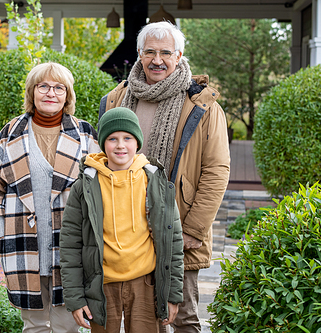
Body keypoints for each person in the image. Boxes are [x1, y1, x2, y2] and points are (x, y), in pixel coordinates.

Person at [99, 22, 230, 333]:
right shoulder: (116, 100)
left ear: (179, 55)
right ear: (140, 55)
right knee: (141, 319)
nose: (157, 60)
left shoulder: (203, 106)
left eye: (165, 53)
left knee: (182, 318)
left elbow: (217, 171)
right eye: (150, 52)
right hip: (128, 233)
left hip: (180, 229)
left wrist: (194, 230)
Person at [0, 62, 100, 333]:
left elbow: (100, 188)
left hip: (71, 243)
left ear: (68, 95)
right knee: (33, 325)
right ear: (32, 92)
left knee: (67, 324)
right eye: (43, 86)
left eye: (59, 87)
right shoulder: (11, 133)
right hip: (21, 239)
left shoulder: (84, 134)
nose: (51, 93)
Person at [59, 107, 184, 333]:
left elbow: (173, 241)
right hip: (102, 284)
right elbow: (70, 245)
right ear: (102, 144)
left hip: (146, 283)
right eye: (112, 138)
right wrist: (75, 298)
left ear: (137, 142)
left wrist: (173, 294)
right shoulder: (85, 185)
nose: (120, 145)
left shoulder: (155, 182)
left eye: (127, 138)